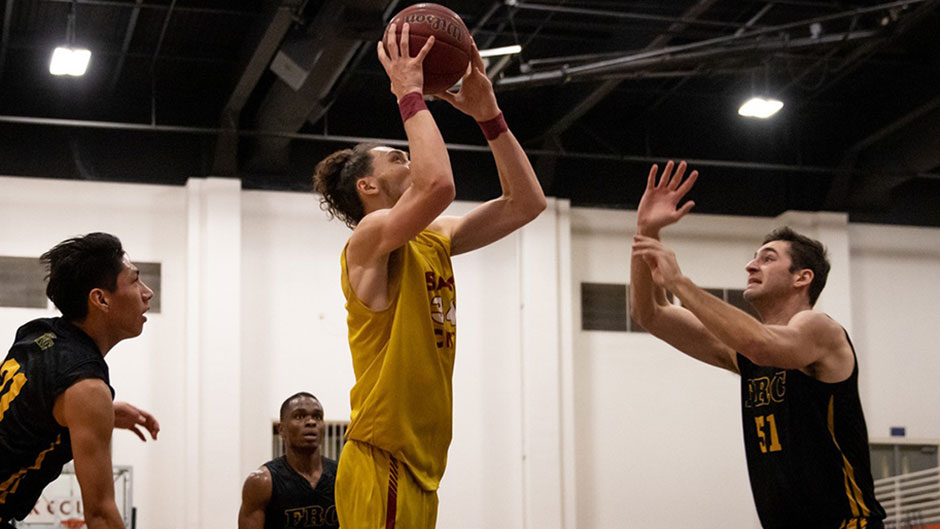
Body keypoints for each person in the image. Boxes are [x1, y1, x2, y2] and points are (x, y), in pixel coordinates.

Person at [311, 22, 546, 529]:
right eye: (397, 156)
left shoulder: (433, 238)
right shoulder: (368, 239)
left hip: (419, 466)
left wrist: (491, 118)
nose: (409, 155)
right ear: (368, 185)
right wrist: (407, 92)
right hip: (383, 458)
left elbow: (527, 203)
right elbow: (438, 183)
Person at [629, 161, 886, 529]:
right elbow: (650, 314)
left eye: (767, 259)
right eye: (753, 258)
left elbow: (762, 344)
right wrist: (647, 231)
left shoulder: (818, 329)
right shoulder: (746, 352)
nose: (751, 266)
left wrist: (680, 282)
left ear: (803, 277)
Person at [0, 232, 160, 529]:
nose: (147, 292)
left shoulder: (37, 334)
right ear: (100, 298)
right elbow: (100, 515)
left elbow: (28, 406)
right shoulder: (86, 387)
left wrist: (105, 413)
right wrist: (95, 408)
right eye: (135, 280)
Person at [239, 392, 338, 529]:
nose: (311, 422)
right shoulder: (261, 483)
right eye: (300, 416)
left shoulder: (341, 476)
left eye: (317, 416)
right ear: (281, 429)